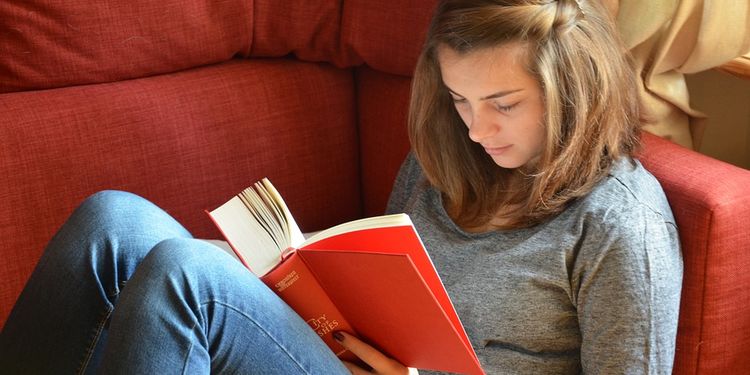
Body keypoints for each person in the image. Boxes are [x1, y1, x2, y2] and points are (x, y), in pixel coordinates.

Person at [0, 0, 682, 374]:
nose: (477, 130)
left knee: (189, 273)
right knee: (111, 221)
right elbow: (376, 292)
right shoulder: (445, 158)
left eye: (503, 103)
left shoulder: (622, 224)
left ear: (575, 89)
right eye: (460, 101)